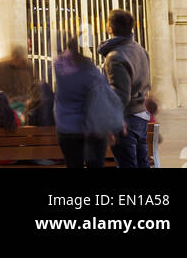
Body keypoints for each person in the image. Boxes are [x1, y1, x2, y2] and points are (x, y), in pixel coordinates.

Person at [98, 9, 152, 169]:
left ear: (110, 28)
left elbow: (120, 95)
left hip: (126, 119)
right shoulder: (140, 50)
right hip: (141, 115)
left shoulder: (115, 57)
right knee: (142, 163)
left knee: (127, 164)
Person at [53, 38, 107, 169]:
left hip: (66, 127)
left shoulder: (58, 66)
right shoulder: (88, 68)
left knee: (73, 165)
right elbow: (100, 93)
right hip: (91, 128)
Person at [0, 46, 34, 114]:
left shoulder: (28, 66)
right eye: (16, 59)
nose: (19, 63)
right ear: (12, 58)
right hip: (5, 101)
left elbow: (32, 85)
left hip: (24, 101)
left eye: (21, 60)